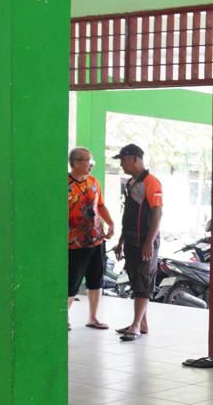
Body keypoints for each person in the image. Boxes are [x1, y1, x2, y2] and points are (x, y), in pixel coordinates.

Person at [111, 144, 163, 342]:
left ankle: (135, 326)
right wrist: (121, 240)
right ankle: (141, 322)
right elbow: (129, 214)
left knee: (143, 281)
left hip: (145, 241)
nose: (122, 164)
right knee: (135, 279)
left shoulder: (151, 182)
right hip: (131, 240)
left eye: (123, 160)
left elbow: (157, 213)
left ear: (134, 159)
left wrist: (149, 242)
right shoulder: (131, 183)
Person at [66, 147, 114, 330]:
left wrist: (110, 223)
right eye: (87, 161)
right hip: (74, 243)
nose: (90, 165)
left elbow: (100, 205)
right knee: (72, 282)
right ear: (76, 162)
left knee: (96, 280)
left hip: (96, 239)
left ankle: (93, 317)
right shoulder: (64, 183)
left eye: (91, 160)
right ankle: (64, 317)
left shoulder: (94, 182)